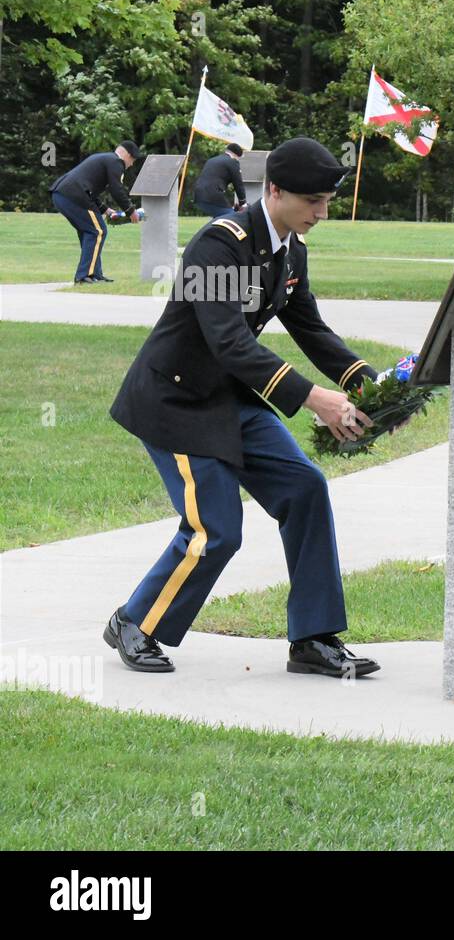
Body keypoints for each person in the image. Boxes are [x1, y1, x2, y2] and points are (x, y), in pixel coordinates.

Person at [104, 137, 384, 679]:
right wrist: (314, 399)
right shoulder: (219, 243)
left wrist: (371, 385)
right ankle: (133, 622)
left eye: (327, 201)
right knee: (217, 529)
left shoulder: (290, 249)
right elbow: (229, 341)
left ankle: (313, 639)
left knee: (304, 488)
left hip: (228, 396)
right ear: (274, 190)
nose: (321, 213)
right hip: (175, 401)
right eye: (312, 202)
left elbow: (313, 332)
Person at [49, 140, 143, 284]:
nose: (131, 164)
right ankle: (84, 276)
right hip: (73, 195)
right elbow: (116, 189)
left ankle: (94, 275)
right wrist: (131, 211)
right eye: (132, 160)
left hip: (62, 194)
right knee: (97, 231)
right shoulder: (116, 162)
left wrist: (105, 210)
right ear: (127, 155)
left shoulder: (105, 159)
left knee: (90, 232)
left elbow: (89, 190)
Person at [192, 142, 248, 218]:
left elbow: (216, 181)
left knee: (219, 218)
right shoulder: (233, 162)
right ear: (236, 155)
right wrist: (243, 203)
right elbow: (238, 184)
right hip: (212, 196)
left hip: (198, 195)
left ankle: (213, 230)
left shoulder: (212, 160)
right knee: (232, 217)